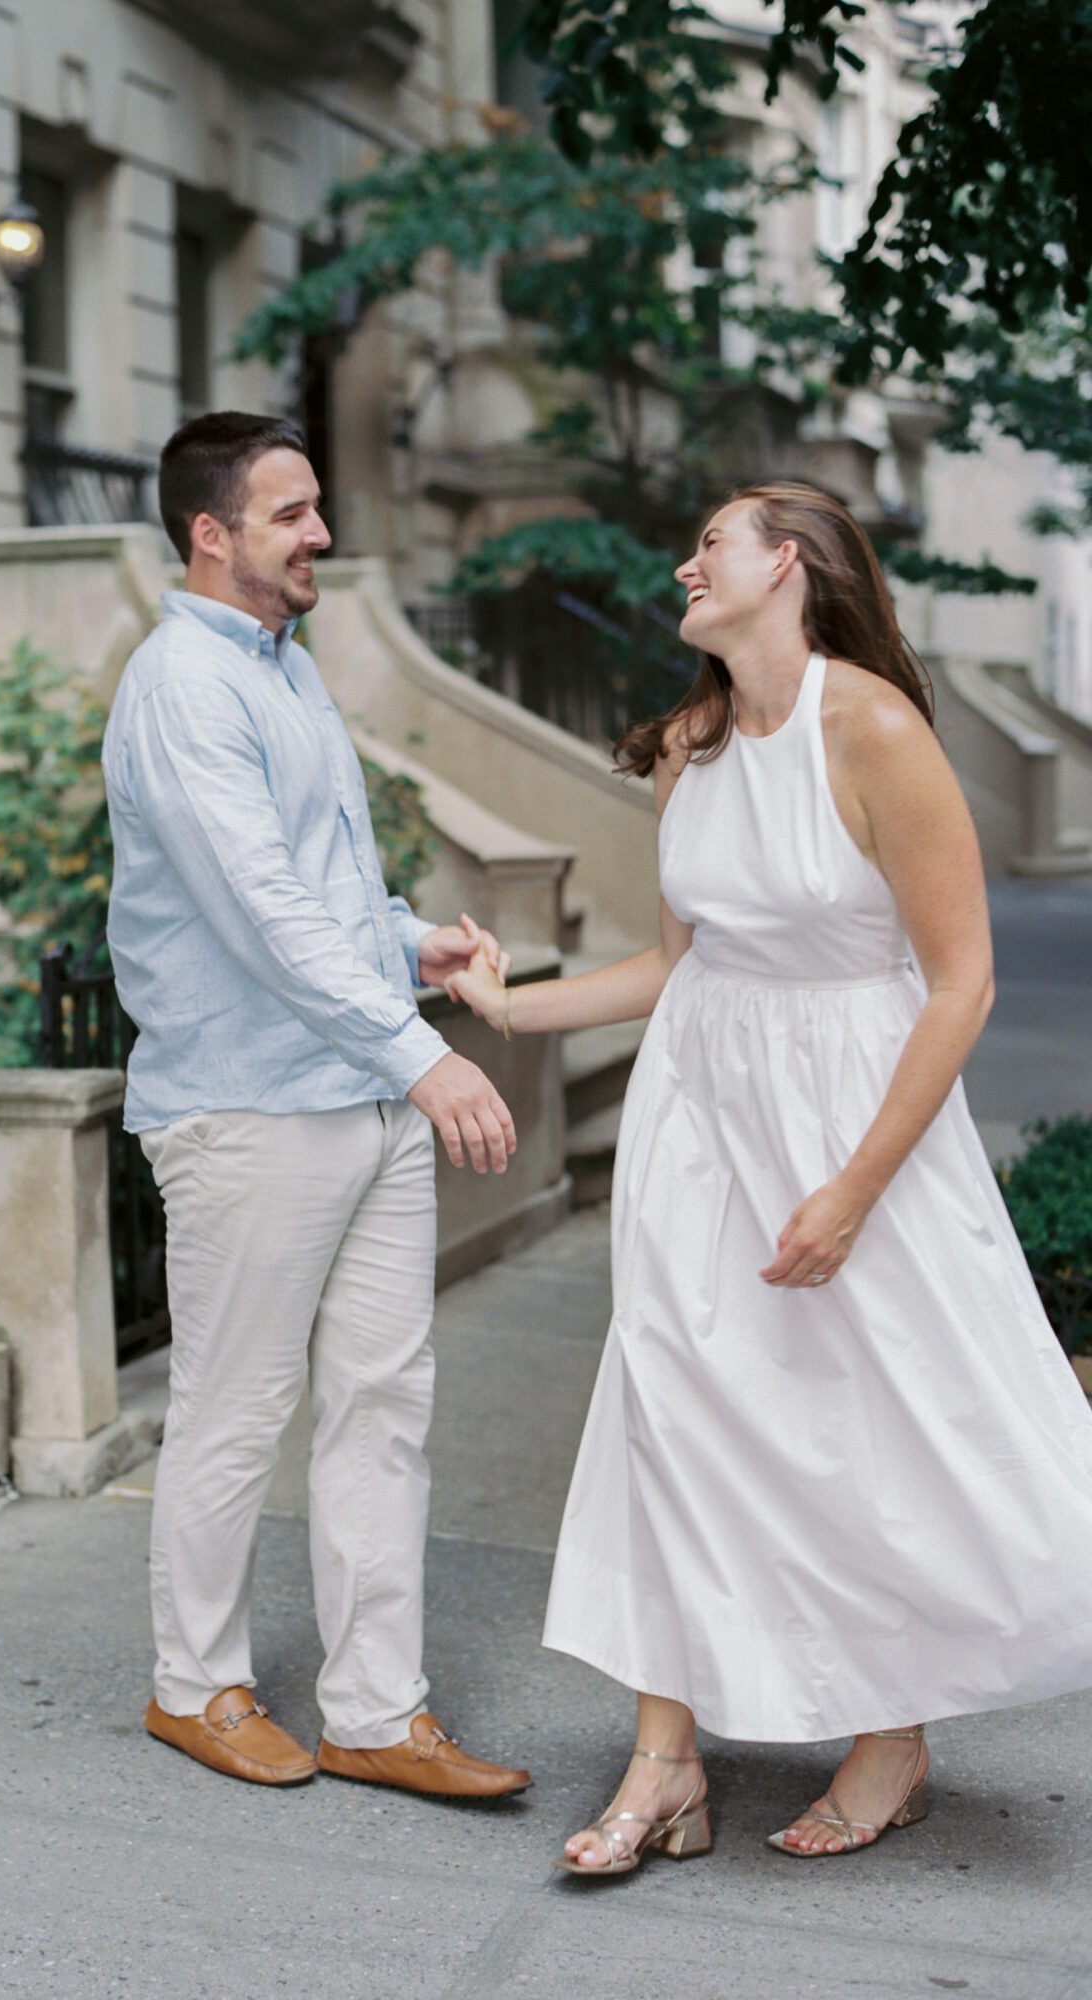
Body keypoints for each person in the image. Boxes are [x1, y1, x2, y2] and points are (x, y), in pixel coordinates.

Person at [447, 480, 1092, 1870]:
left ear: (788, 565)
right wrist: (512, 1006)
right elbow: (681, 964)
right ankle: (664, 1759)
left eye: (712, 544)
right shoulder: (689, 744)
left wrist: (856, 1187)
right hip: (700, 1110)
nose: (685, 565)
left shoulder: (873, 728)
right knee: (675, 1406)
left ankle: (892, 1733)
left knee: (868, 1414)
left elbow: (962, 982)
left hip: (858, 1110)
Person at [102, 411, 531, 1798]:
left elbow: (326, 898)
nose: (321, 536)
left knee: (381, 1406)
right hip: (247, 1112)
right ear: (209, 533)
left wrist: (419, 949)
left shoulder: (284, 671)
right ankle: (194, 1685)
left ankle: (376, 1710)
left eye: (316, 509)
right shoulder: (184, 685)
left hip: (353, 1097)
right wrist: (425, 1052)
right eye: (289, 514)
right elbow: (259, 914)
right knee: (237, 1408)